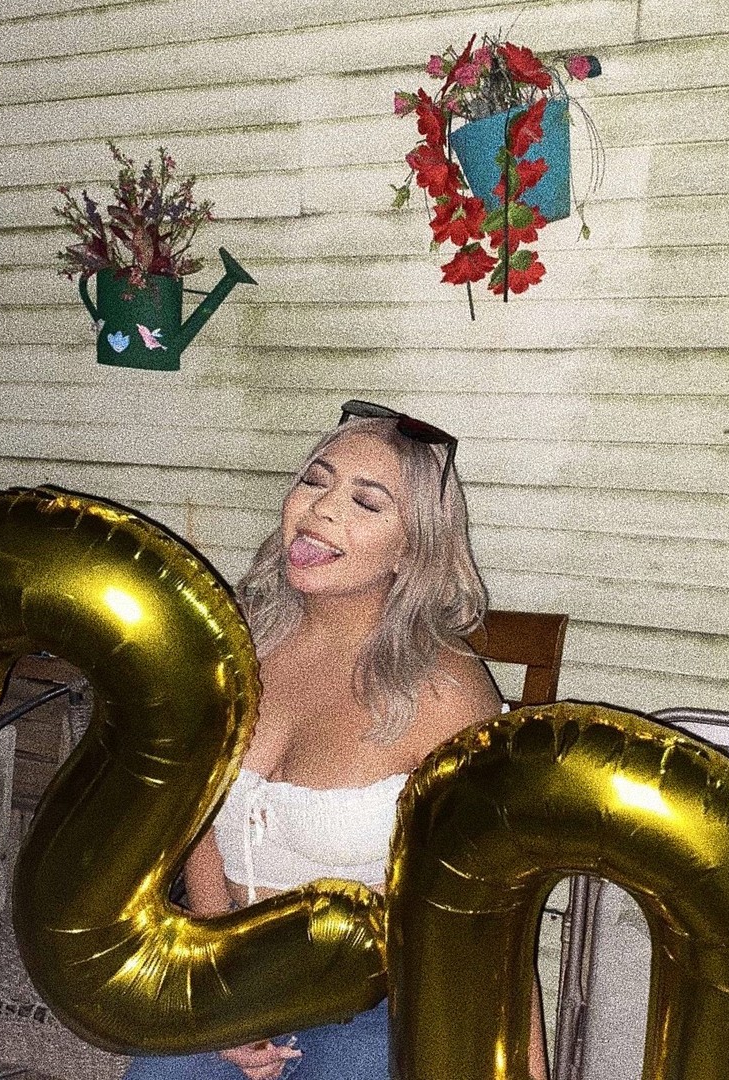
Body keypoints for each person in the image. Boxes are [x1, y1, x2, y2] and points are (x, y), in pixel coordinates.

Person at [123, 401, 548, 1080]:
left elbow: (500, 901)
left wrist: (525, 1068)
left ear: (412, 549)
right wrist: (218, 981)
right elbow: (196, 822)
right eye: (315, 480)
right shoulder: (234, 644)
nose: (320, 509)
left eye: (366, 502)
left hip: (378, 994)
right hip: (235, 959)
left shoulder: (445, 690)